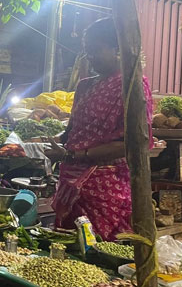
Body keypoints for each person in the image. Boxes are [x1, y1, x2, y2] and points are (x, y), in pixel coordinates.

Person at [45, 18, 153, 241]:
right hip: (71, 181)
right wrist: (52, 142)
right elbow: (73, 130)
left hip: (107, 186)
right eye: (87, 51)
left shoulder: (132, 86)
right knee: (66, 243)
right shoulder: (85, 85)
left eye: (95, 50)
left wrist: (72, 154)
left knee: (102, 247)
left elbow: (133, 142)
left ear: (117, 49)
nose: (90, 56)